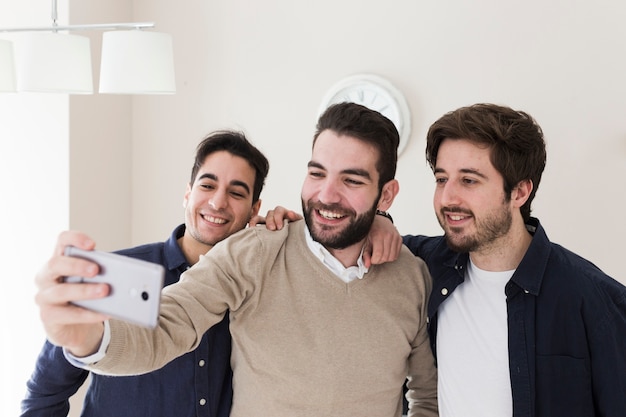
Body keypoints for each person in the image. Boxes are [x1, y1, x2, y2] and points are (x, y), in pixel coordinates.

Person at [33, 102, 438, 417]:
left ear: (386, 196)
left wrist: (384, 225)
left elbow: (428, 393)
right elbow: (170, 324)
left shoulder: (411, 275)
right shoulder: (255, 251)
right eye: (317, 173)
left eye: (351, 180)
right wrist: (87, 338)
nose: (326, 194)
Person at [263, 103, 626, 416]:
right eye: (441, 178)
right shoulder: (421, 265)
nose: (447, 198)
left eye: (469, 181)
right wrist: (375, 219)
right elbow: (339, 241)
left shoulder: (594, 300)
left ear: (519, 191)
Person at [21, 130, 270, 417]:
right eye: (207, 185)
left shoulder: (257, 288)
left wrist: (287, 238)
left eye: (236, 193)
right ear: (188, 193)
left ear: (255, 210)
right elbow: (44, 394)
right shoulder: (114, 276)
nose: (217, 202)